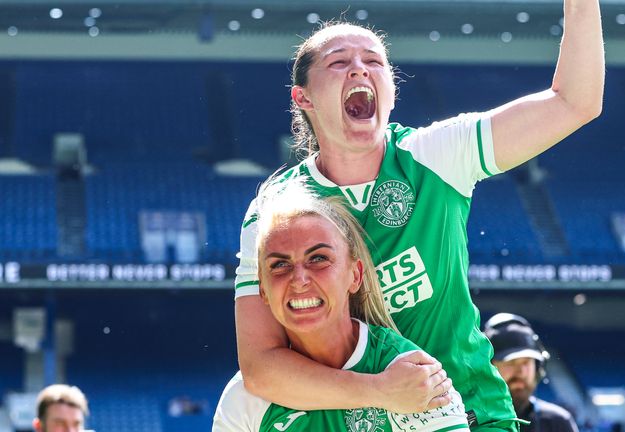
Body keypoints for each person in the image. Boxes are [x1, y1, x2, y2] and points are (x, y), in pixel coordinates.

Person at [234, 2, 604, 430]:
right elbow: (261, 368)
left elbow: (575, 102)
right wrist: (382, 391)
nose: (360, 69)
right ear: (303, 97)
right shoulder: (276, 210)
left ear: (391, 88)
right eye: (339, 63)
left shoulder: (436, 155)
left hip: (473, 414)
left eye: (374, 61)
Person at [214, 177, 469, 431]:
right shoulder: (244, 401)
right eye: (280, 265)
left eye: (318, 258)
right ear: (263, 290)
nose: (299, 279)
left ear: (355, 275)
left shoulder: (417, 380)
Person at [484, 314, 579, 432]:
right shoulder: (465, 419)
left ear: (539, 367)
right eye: (511, 362)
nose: (521, 371)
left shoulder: (558, 422)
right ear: (488, 367)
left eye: (526, 362)